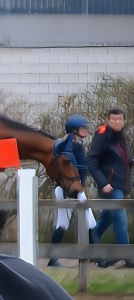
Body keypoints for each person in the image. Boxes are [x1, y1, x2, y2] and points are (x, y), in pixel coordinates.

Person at [47, 114, 98, 267]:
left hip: (75, 188)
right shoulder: (66, 145)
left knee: (87, 220)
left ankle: (97, 257)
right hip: (66, 189)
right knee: (65, 223)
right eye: (83, 127)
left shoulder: (77, 145)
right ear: (75, 130)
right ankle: (53, 259)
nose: (86, 129)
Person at [86, 108, 132, 267]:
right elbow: (91, 160)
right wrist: (103, 183)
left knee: (106, 218)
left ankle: (89, 249)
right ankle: (128, 257)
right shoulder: (103, 135)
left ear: (124, 121)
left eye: (120, 119)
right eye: (113, 119)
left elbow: (124, 159)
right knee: (120, 219)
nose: (117, 122)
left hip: (120, 185)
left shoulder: (122, 136)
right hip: (110, 186)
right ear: (108, 120)